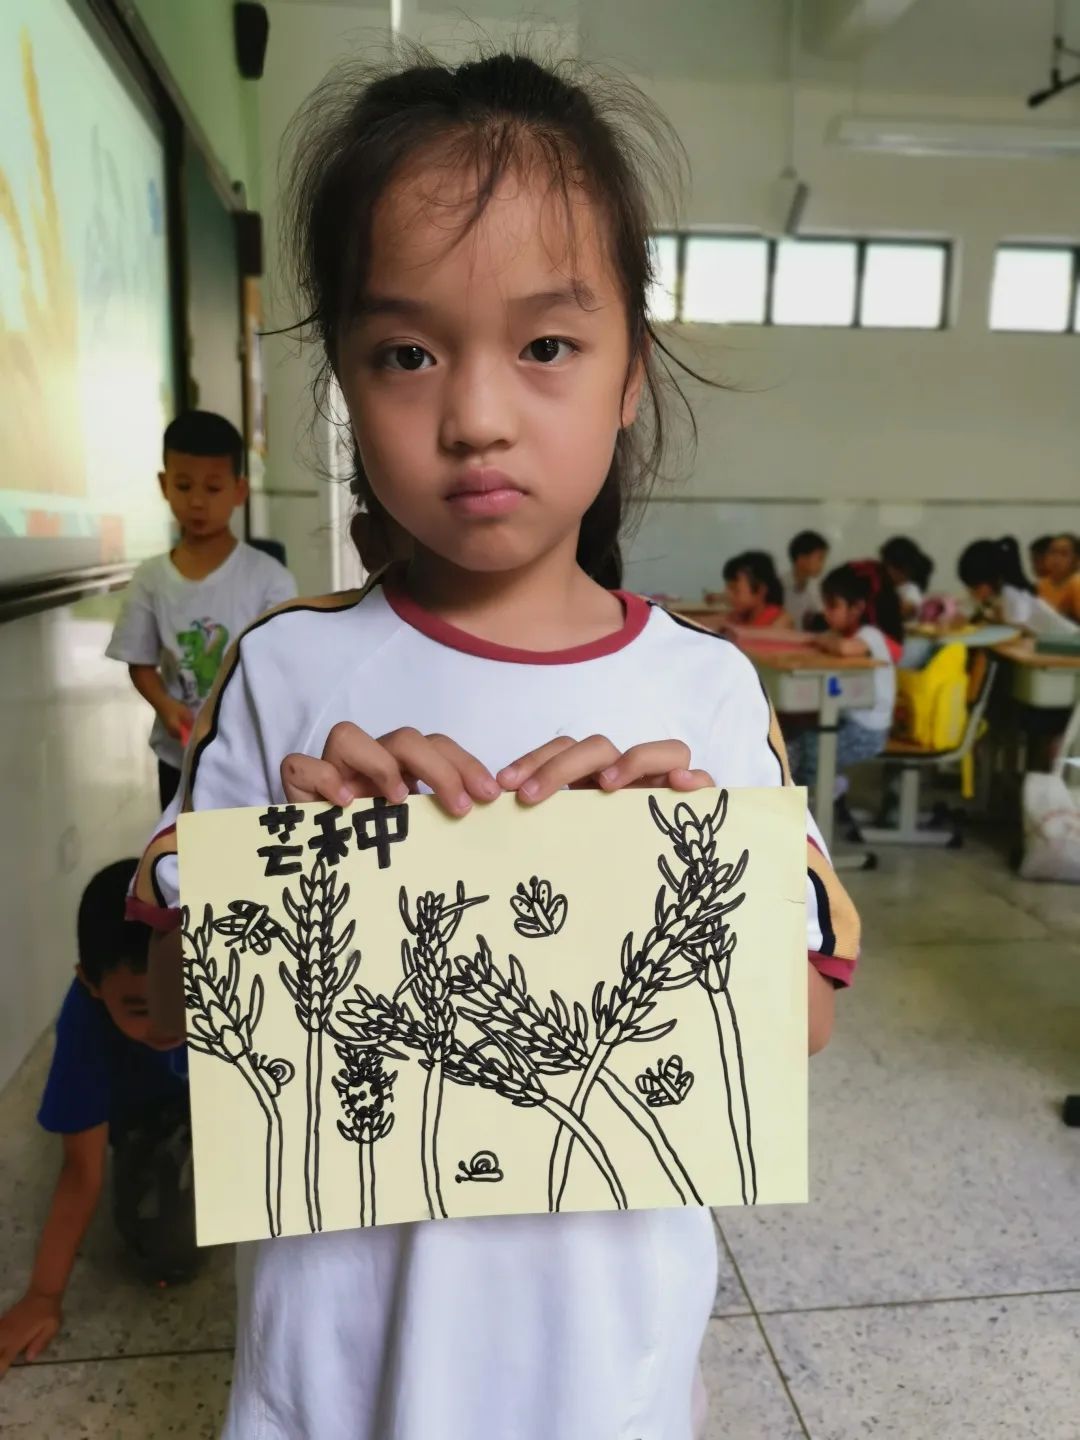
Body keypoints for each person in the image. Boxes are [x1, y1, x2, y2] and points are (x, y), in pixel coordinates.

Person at [128, 49, 860, 1440]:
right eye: (405, 352)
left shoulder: (703, 690)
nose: (472, 415)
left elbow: (803, 1022)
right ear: (344, 372)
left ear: (630, 371)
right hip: (333, 1389)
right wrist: (286, 878)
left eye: (545, 345)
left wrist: (689, 873)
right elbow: (167, 1021)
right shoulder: (289, 672)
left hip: (609, 1387)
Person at [0, 862, 193, 1378]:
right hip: (148, 1117)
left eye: (178, 998)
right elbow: (81, 1172)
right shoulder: (84, 1026)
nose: (165, 1023)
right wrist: (43, 1296)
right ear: (89, 983)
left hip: (221, 1103)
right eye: (138, 1007)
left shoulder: (217, 979)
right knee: (166, 1249)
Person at [106, 411, 298, 809]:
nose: (196, 501)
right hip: (178, 756)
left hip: (247, 756)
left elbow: (283, 667)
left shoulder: (270, 578)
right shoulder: (151, 578)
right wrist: (168, 707)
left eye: (212, 488)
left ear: (239, 491)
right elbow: (140, 664)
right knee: (183, 856)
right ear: (164, 485)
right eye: (183, 485)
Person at [787, 562, 901, 786]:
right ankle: (825, 795)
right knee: (793, 740)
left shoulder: (870, 634)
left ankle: (822, 800)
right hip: (848, 721)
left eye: (833, 606)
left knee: (811, 750)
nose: (826, 613)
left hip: (868, 732)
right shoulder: (843, 633)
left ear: (857, 608)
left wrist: (823, 639)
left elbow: (844, 648)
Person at [958, 537, 1077, 638]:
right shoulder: (997, 596)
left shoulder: (1014, 598)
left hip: (1069, 644)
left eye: (975, 587)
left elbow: (1021, 634)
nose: (972, 593)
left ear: (994, 578)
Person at [722, 550, 792, 628]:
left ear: (760, 590)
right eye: (728, 588)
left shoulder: (779, 622)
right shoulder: (738, 616)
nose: (728, 595)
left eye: (735, 590)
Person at [783, 530, 829, 630]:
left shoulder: (817, 588)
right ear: (802, 559)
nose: (822, 564)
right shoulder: (780, 586)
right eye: (820, 558)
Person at [879, 536, 934, 619]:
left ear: (906, 569)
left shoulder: (911, 590)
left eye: (890, 565)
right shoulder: (886, 586)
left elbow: (907, 610)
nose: (885, 570)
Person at [1035, 533, 1080, 623]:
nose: (1056, 558)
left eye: (1064, 554)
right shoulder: (1043, 583)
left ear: (1076, 560)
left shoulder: (1076, 583)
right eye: (1052, 552)